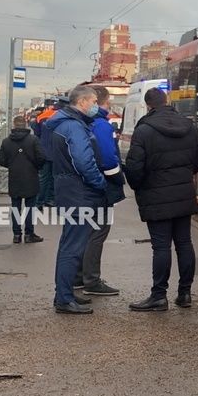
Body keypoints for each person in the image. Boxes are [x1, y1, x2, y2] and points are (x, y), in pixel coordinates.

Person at [123, 87, 198, 312]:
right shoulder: (189, 125)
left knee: (161, 247)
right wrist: (184, 174)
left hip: (156, 195)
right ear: (167, 101)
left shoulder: (144, 130)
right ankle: (185, 292)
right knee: (184, 243)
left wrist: (139, 185)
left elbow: (134, 167)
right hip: (183, 194)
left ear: (148, 105)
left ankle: (159, 295)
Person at [43, 85, 108, 315]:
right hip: (78, 192)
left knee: (69, 244)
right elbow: (83, 161)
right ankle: (64, 299)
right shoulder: (74, 127)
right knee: (73, 247)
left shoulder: (62, 124)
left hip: (68, 189)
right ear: (82, 102)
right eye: (93, 102)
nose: (95, 106)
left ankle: (65, 294)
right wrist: (100, 182)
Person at [74, 85, 124, 298]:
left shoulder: (82, 122)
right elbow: (108, 158)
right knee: (99, 231)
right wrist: (118, 178)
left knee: (86, 231)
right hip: (101, 187)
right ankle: (92, 280)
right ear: (103, 101)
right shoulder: (102, 125)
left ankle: (79, 276)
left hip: (81, 187)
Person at [0, 115, 45, 244]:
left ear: (13, 125)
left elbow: (0, 160)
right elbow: (41, 157)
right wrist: (36, 167)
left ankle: (16, 235)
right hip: (31, 177)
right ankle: (29, 234)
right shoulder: (33, 140)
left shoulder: (6, 141)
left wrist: (12, 165)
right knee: (30, 207)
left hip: (14, 177)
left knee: (15, 206)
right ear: (25, 125)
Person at [32, 99, 61, 207]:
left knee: (43, 178)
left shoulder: (41, 117)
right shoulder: (62, 117)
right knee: (54, 177)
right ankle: (51, 199)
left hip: (43, 152)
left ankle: (39, 201)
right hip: (58, 153)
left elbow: (36, 134)